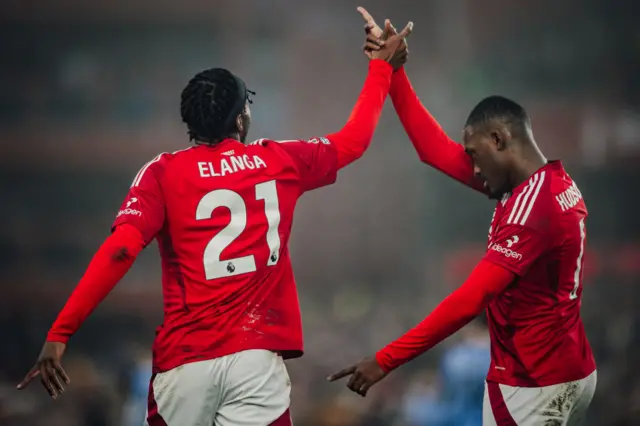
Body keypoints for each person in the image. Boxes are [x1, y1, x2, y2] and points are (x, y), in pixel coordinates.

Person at [17, 19, 413, 426]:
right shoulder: (277, 160)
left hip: (185, 363)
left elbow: (120, 249)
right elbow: (355, 140)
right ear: (240, 118)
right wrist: (381, 66)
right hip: (255, 361)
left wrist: (61, 332)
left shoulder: (161, 172)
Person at [329, 8, 597, 426]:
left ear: (499, 139)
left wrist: (385, 359)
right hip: (568, 369)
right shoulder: (548, 184)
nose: (471, 168)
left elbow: (469, 300)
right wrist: (392, 69)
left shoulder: (533, 208)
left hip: (531, 384)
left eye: (474, 155)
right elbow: (432, 150)